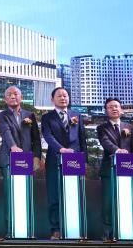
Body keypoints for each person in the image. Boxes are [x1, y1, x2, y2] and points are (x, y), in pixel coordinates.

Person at [41, 87, 87, 240]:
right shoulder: (47, 117)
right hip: (55, 159)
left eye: (65, 95)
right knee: (54, 196)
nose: (63, 98)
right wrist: (61, 149)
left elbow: (82, 139)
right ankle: (56, 229)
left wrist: (84, 159)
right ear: (52, 99)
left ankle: (74, 228)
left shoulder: (77, 115)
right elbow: (48, 136)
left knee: (74, 195)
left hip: (75, 161)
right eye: (59, 96)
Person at [0, 86, 41, 238]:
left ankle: (28, 231)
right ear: (5, 99)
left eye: (16, 94)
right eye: (9, 94)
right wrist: (13, 146)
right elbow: (5, 131)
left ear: (21, 97)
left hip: (26, 161)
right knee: (11, 195)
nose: (13, 96)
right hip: (9, 159)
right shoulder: (1, 115)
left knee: (25, 194)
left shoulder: (30, 115)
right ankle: (10, 231)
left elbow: (36, 138)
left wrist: (36, 157)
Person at [97, 97, 133, 242]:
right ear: (106, 111)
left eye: (116, 106)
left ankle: (125, 231)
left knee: (125, 201)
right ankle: (108, 233)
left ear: (121, 109)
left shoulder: (129, 126)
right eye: (110, 107)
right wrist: (117, 150)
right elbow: (105, 143)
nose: (114, 109)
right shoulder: (102, 128)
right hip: (109, 169)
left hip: (127, 170)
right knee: (108, 203)